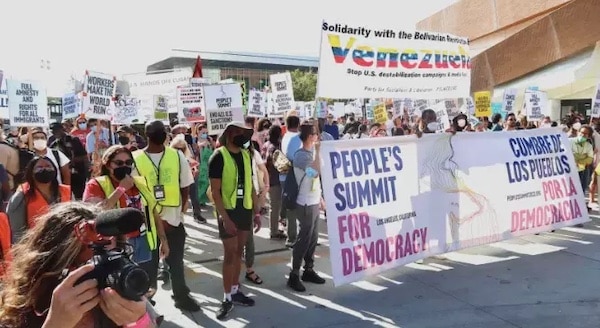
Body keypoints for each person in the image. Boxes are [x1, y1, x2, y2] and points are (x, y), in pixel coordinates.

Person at [0, 203, 163, 327]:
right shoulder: (24, 310)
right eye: (90, 266)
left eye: (112, 261)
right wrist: (54, 324)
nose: (106, 276)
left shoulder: (126, 297)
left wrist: (141, 323)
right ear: (57, 269)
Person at [83, 145, 169, 305]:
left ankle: (146, 309)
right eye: (118, 163)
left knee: (144, 283)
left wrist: (163, 240)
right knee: (121, 287)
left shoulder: (139, 182)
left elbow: (153, 211)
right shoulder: (96, 185)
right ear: (108, 165)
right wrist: (121, 188)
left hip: (144, 241)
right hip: (117, 245)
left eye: (128, 162)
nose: (125, 166)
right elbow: (93, 212)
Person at [132, 120, 200, 312]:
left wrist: (181, 211)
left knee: (176, 264)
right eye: (156, 131)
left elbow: (185, 185)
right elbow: (133, 194)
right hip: (147, 224)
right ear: (147, 134)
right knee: (148, 268)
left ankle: (181, 296)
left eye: (162, 131)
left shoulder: (177, 156)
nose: (160, 134)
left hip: (173, 220)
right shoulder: (136, 158)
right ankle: (146, 305)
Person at [209, 121, 261, 320]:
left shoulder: (247, 155)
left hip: (244, 210)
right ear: (230, 134)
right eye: (238, 132)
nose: (243, 136)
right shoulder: (219, 156)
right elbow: (215, 192)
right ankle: (226, 298)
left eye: (245, 133)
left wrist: (256, 212)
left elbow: (250, 184)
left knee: (239, 252)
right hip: (229, 212)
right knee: (230, 254)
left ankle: (235, 290)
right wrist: (224, 217)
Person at [287, 123, 326, 292]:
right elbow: (314, 173)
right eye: (316, 134)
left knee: (313, 239)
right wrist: (318, 151)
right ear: (310, 136)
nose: (318, 136)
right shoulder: (302, 156)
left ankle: (308, 269)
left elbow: (316, 180)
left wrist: (321, 198)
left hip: (314, 201)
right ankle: (294, 274)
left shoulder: (310, 154)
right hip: (304, 203)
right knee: (304, 240)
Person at [6, 156, 72, 244]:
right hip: (34, 248)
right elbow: (17, 234)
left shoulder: (66, 191)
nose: (44, 169)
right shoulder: (21, 197)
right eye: (39, 167)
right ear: (31, 173)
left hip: (63, 246)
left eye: (48, 166)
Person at [48, 122, 89, 199]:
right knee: (66, 195)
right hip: (64, 174)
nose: (55, 133)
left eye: (56, 130)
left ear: (62, 129)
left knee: (80, 196)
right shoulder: (53, 145)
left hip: (78, 173)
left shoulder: (74, 140)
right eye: (53, 131)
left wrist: (70, 161)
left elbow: (84, 156)